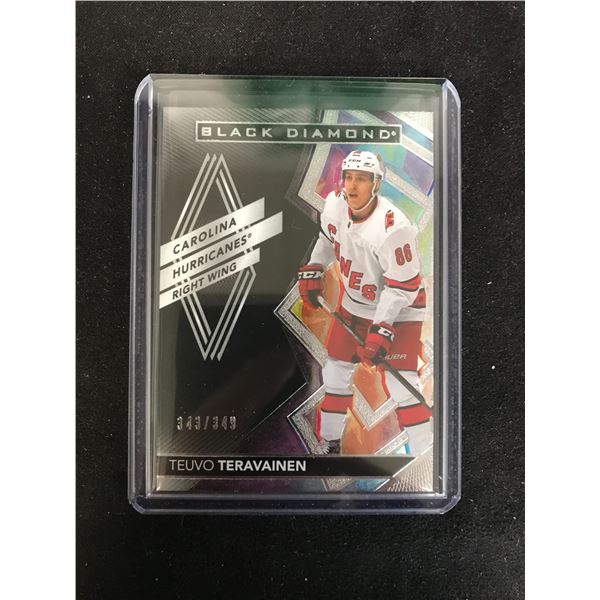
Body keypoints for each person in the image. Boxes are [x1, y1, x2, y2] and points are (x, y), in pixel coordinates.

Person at [298, 150, 432, 455]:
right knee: (335, 375)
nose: (353, 185)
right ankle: (330, 443)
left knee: (401, 384)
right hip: (355, 304)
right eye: (348, 177)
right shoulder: (335, 205)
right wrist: (315, 266)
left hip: (401, 310)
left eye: (362, 178)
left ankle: (424, 449)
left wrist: (381, 329)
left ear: (377, 184)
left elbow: (402, 287)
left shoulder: (394, 227)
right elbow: (328, 239)